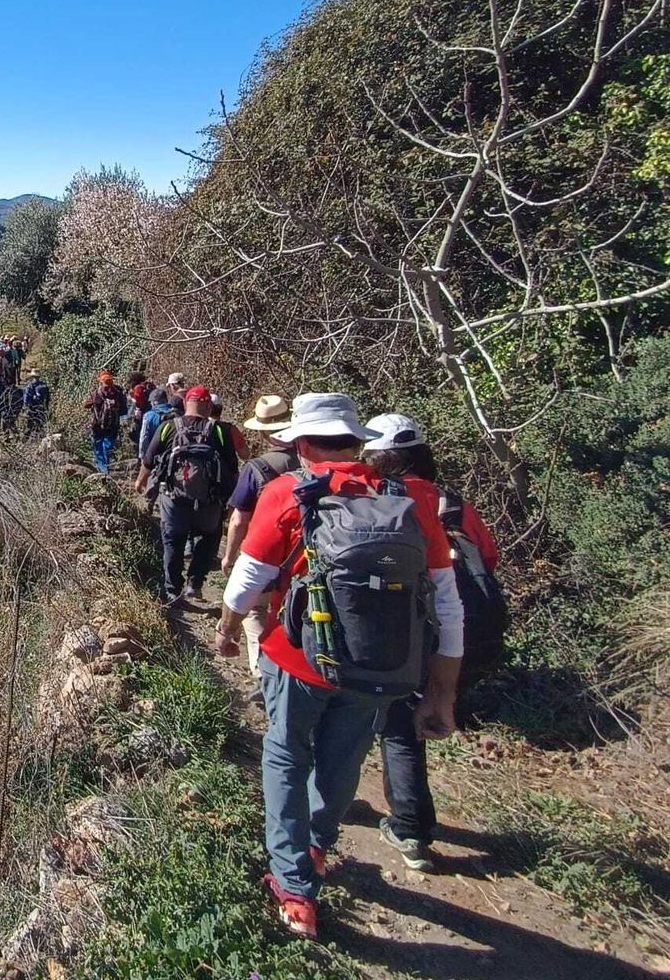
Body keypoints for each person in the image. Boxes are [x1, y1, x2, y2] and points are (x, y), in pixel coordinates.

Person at [214, 393, 464, 941]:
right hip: (381, 666)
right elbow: (446, 602)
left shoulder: (289, 491)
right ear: (360, 443)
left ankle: (294, 885)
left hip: (297, 657)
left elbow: (247, 583)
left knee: (284, 754)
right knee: (343, 759)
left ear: (302, 445)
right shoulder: (415, 499)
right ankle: (315, 846)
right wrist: (442, 690)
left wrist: (230, 628)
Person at [362, 413, 505, 875]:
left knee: (377, 724)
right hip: (450, 633)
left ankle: (371, 817)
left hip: (388, 631)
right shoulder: (453, 505)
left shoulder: (375, 496)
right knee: (404, 726)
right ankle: (411, 830)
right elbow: (488, 558)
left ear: (377, 456)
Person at [136, 385, 240, 604]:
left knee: (172, 542)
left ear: (185, 404)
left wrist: (140, 482)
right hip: (210, 501)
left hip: (173, 499)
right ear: (209, 406)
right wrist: (232, 501)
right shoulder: (220, 430)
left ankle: (173, 590)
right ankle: (195, 584)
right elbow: (232, 467)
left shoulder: (168, 427)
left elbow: (149, 459)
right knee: (207, 539)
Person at [219, 395, 298, 681]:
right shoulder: (314, 462)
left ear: (263, 431)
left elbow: (240, 519)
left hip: (266, 554)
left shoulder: (258, 468)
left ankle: (263, 671)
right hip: (309, 559)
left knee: (256, 611)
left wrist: (229, 555)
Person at [81, 370, 127, 473]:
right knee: (108, 446)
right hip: (113, 425)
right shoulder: (118, 393)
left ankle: (102, 470)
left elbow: (85, 405)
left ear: (101, 382)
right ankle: (108, 467)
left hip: (98, 426)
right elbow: (124, 411)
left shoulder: (97, 393)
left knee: (98, 447)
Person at [136, 385, 177, 461]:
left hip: (155, 453)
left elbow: (144, 437)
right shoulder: (176, 413)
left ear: (155, 402)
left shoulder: (148, 416)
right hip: (173, 452)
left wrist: (143, 456)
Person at [210, 395, 252, 461]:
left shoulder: (196, 429)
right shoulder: (232, 429)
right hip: (228, 470)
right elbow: (245, 455)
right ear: (221, 409)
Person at [22, 370, 51, 436]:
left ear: (32, 377)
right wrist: (46, 407)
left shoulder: (30, 386)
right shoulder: (44, 386)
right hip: (41, 407)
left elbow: (26, 399)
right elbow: (48, 398)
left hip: (32, 408)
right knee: (40, 424)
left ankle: (28, 439)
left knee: (30, 425)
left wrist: (26, 408)